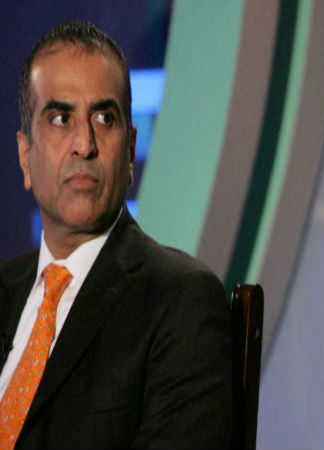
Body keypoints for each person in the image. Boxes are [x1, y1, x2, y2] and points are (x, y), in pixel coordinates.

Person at [0, 21, 231, 448]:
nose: (84, 144)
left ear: (129, 151)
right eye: (60, 118)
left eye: (104, 119)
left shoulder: (181, 302)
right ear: (24, 155)